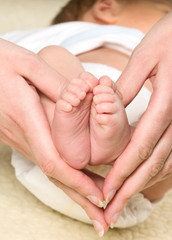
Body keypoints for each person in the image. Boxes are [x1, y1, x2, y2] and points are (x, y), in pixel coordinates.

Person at [1, 0, 172, 236]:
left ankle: (88, 138)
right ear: (106, 7)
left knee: (53, 56)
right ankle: (113, 140)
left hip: (42, 163)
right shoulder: (85, 33)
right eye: (166, 12)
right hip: (139, 186)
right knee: (53, 60)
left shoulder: (29, 38)